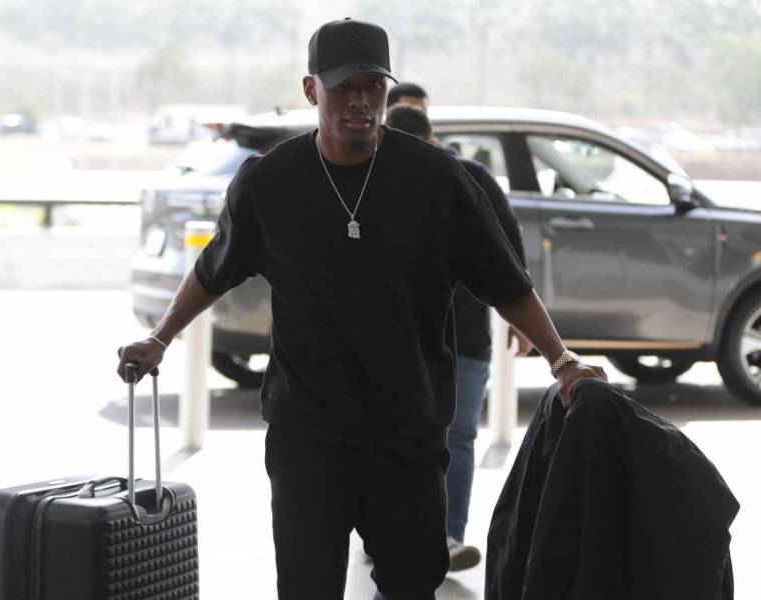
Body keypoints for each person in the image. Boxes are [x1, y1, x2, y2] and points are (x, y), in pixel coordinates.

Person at [117, 17, 607, 600]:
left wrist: (562, 359)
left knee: (411, 584)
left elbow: (505, 281)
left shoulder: (437, 180)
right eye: (344, 86)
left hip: (409, 437)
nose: (360, 101)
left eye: (372, 85)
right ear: (311, 90)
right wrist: (161, 339)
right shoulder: (269, 183)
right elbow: (212, 270)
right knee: (308, 587)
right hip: (308, 438)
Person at [384, 101, 531, 571]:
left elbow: (508, 249)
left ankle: (420, 535)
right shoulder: (469, 176)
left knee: (427, 435)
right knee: (454, 436)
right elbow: (512, 249)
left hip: (428, 337)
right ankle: (434, 535)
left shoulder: (384, 176)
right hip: (453, 336)